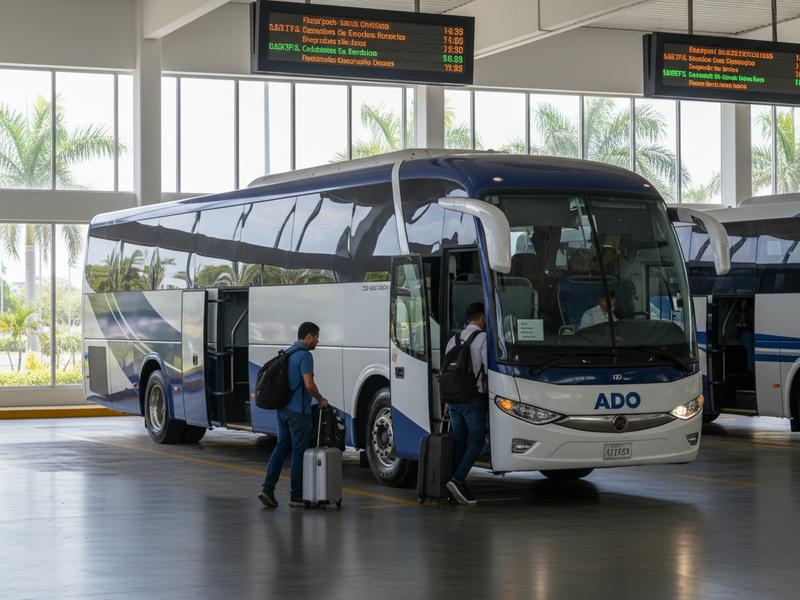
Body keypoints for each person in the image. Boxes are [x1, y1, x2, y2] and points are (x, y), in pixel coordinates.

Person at [259, 322, 329, 508]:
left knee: (281, 448)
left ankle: (267, 488)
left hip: (283, 410)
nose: (317, 341)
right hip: (299, 412)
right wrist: (320, 398)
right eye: (315, 337)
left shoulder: (288, 352)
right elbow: (308, 384)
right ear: (307, 337)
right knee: (298, 452)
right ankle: (296, 496)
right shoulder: (305, 356)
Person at [445, 302, 488, 506]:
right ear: (481, 318)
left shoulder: (453, 339)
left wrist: (446, 401)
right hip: (472, 397)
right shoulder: (482, 338)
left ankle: (457, 489)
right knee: (477, 440)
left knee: (459, 441)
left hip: (453, 398)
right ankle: (457, 479)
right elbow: (488, 369)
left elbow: (446, 371)